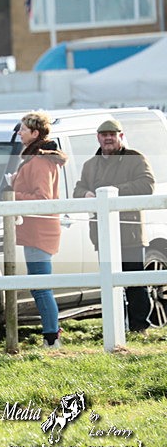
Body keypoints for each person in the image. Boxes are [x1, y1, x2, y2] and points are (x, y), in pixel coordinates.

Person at [73, 119, 155, 333]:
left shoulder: (135, 158)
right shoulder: (90, 164)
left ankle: (139, 327)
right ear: (98, 137)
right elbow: (78, 189)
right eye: (104, 134)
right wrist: (86, 194)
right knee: (109, 284)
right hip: (102, 235)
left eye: (113, 133)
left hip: (130, 233)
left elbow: (147, 185)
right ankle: (114, 327)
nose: (108, 138)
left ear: (121, 135)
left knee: (135, 283)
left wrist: (112, 191)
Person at [11, 112, 68, 349]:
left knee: (41, 287)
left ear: (35, 133)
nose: (20, 133)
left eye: (23, 129)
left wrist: (13, 192)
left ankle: (52, 336)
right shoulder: (40, 160)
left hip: (38, 230)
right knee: (39, 285)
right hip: (38, 229)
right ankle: (51, 334)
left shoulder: (38, 161)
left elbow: (42, 198)